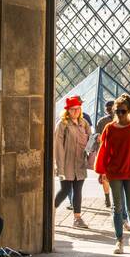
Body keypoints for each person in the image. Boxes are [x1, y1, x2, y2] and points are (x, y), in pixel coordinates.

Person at [95, 93, 130, 254]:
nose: (119, 114)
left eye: (123, 111)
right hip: (114, 172)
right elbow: (103, 151)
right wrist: (101, 171)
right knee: (117, 208)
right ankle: (119, 241)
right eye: (117, 111)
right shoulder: (109, 128)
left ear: (129, 110)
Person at [53, 94, 90, 229]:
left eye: (78, 109)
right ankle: (52, 210)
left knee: (78, 190)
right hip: (66, 164)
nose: (76, 111)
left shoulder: (84, 123)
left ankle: (77, 218)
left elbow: (89, 143)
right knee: (65, 189)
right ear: (67, 110)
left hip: (79, 164)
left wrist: (95, 141)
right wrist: (60, 167)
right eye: (73, 109)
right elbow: (58, 147)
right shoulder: (62, 125)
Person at [95, 98, 116, 209]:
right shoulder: (120, 120)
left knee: (104, 177)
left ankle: (107, 198)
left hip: (104, 153)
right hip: (115, 153)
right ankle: (113, 198)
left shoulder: (101, 121)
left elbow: (97, 138)